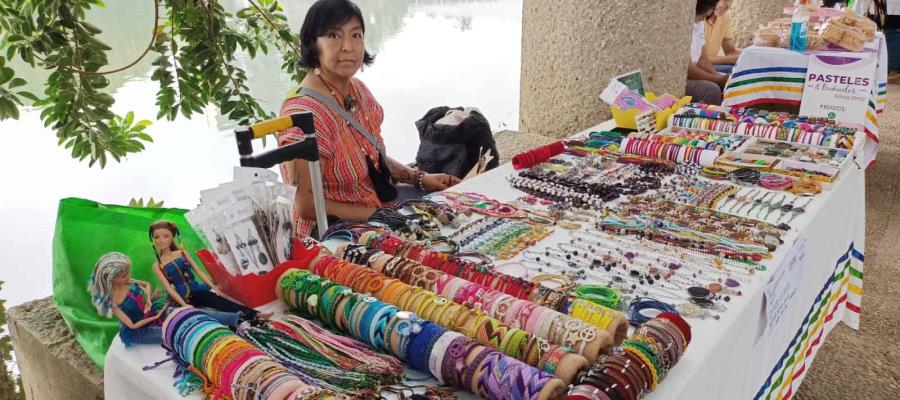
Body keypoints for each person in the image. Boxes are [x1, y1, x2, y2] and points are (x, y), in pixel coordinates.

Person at [277, 0, 461, 237]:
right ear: (314, 44)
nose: (348, 47)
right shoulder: (304, 114)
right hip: (336, 231)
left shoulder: (357, 91)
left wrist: (420, 178)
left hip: (375, 206)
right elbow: (306, 205)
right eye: (334, 35)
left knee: (453, 211)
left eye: (356, 35)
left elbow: (372, 157)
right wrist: (378, 215)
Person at [88, 252, 240, 347]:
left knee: (190, 313)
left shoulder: (128, 281)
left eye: (128, 273)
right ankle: (222, 340)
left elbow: (146, 285)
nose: (128, 277)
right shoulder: (113, 302)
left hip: (153, 312)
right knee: (182, 333)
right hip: (142, 330)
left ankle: (238, 319)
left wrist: (149, 299)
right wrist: (155, 316)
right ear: (111, 279)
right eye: (123, 276)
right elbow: (133, 326)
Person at [149, 220, 272, 320]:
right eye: (157, 237)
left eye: (166, 236)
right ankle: (244, 321)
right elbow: (169, 288)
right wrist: (184, 304)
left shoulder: (182, 253)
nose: (161, 240)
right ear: (153, 240)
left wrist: (215, 287)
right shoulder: (157, 265)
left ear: (172, 237)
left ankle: (255, 314)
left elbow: (199, 272)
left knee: (219, 301)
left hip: (197, 290)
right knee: (208, 316)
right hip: (182, 298)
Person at [687, 0, 728, 105]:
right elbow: (687, 68)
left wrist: (718, 76)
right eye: (711, 7)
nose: (710, 13)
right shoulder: (684, 23)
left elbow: (702, 57)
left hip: (694, 70)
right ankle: (700, 119)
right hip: (683, 76)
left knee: (726, 81)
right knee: (712, 90)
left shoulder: (700, 22)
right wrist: (716, 79)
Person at [705, 0, 742, 75]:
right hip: (697, 67)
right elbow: (697, 60)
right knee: (736, 71)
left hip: (713, 64)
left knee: (746, 67)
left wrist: (753, 53)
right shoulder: (698, 17)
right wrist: (732, 59)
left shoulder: (725, 18)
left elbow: (730, 51)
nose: (722, 5)